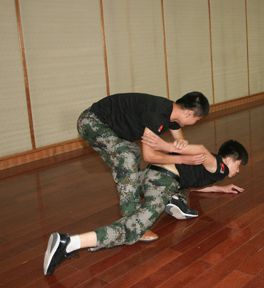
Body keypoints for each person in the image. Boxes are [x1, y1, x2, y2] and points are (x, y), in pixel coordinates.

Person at [43, 138, 248, 275]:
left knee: (180, 192)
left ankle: (175, 200)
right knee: (133, 229)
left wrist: (221, 188)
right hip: (162, 182)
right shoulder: (220, 166)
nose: (237, 171)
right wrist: (164, 144)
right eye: (238, 166)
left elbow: (195, 186)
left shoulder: (212, 169)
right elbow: (201, 149)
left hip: (146, 175)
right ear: (229, 159)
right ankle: (68, 243)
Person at [77, 91, 209, 241]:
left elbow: (177, 131)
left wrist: (181, 140)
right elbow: (149, 156)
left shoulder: (171, 112)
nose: (196, 122)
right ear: (189, 113)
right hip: (92, 122)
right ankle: (133, 225)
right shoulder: (158, 115)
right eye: (197, 119)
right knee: (126, 158)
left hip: (109, 127)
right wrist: (183, 159)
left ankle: (139, 188)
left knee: (133, 152)